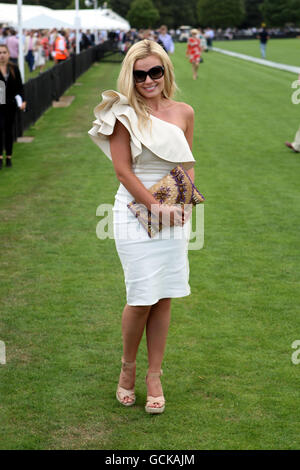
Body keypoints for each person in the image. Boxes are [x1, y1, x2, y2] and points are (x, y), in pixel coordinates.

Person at [88, 39, 196, 414]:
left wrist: (182, 205)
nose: (148, 79)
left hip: (173, 217)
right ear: (129, 76)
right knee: (140, 297)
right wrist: (156, 208)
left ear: (166, 70)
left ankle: (154, 374)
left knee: (164, 295)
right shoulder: (123, 114)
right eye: (139, 74)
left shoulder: (184, 111)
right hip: (132, 212)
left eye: (155, 71)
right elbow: (123, 170)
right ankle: (127, 368)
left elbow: (186, 163)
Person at [0, 45, 26, 169]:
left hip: (10, 104)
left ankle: (9, 156)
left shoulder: (14, 69)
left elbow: (20, 86)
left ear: (9, 54)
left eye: (4, 52)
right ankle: (0, 157)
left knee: (9, 131)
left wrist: (23, 100)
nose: (2, 55)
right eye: (0, 53)